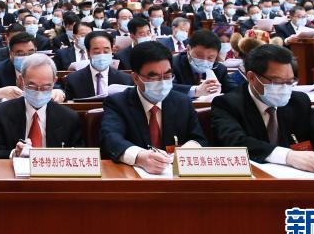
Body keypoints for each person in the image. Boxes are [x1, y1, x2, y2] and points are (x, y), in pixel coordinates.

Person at [211, 45, 314, 172]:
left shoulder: (298, 101)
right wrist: (287, 156)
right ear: (252, 77)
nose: (284, 88)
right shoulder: (227, 104)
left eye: (289, 82)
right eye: (276, 81)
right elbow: (235, 142)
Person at [100, 41, 207, 174]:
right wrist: (140, 157)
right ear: (135, 78)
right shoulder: (118, 103)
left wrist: (187, 150)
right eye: (153, 77)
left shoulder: (182, 102)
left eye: (167, 76)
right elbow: (111, 139)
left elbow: (199, 138)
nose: (162, 83)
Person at [0, 53, 83, 158]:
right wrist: (14, 153)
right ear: (21, 80)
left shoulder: (69, 117)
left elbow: (78, 155)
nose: (38, 92)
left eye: (46, 87)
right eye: (32, 86)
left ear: (54, 81)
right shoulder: (0, 113)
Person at [0, 32, 65, 103]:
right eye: (20, 54)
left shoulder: (43, 67)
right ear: (11, 54)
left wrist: (58, 93)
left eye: (30, 53)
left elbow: (58, 89)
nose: (26, 57)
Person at [63, 30, 133, 100]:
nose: (102, 55)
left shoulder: (125, 80)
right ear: (88, 53)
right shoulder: (73, 80)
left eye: (106, 51)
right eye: (97, 52)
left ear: (112, 51)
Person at [172, 29, 234, 97]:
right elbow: (168, 88)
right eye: (199, 55)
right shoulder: (173, 64)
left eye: (210, 57)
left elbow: (234, 91)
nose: (204, 61)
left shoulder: (220, 69)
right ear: (188, 49)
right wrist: (196, 91)